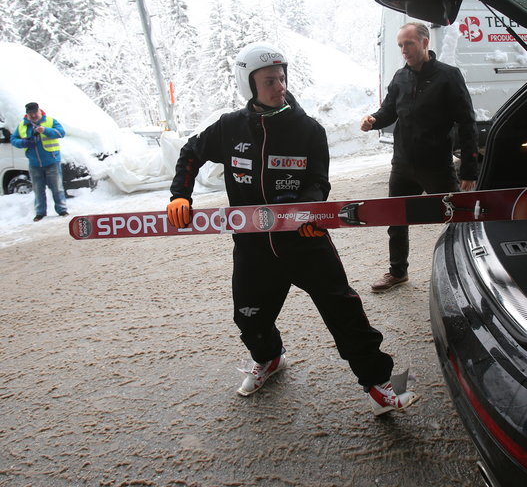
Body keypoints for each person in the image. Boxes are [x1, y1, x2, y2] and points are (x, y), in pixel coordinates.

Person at [166, 42, 417, 416]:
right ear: (248, 84)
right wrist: (180, 195)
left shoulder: (308, 130)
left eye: (281, 78)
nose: (279, 86)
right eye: (269, 81)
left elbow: (318, 183)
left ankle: (379, 386)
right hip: (253, 246)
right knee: (249, 318)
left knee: (344, 312)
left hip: (305, 241)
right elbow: (191, 152)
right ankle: (269, 358)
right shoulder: (229, 128)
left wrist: (308, 212)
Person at [360, 22, 478, 292]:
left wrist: (469, 171)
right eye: (400, 45)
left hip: (436, 165)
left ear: (425, 43)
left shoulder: (448, 76)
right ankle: (397, 272)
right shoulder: (400, 77)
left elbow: (467, 123)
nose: (403, 49)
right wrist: (373, 120)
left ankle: (468, 267)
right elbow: (388, 111)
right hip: (403, 164)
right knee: (396, 220)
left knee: (457, 218)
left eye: (408, 43)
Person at [10, 102, 69, 222]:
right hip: (34, 163)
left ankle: (62, 210)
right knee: (38, 189)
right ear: (27, 114)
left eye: (35, 113)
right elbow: (13, 139)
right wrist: (24, 143)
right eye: (30, 114)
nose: (33, 116)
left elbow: (61, 133)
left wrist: (45, 130)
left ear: (39, 111)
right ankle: (40, 212)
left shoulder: (50, 121)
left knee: (57, 187)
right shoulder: (22, 125)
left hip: (52, 160)